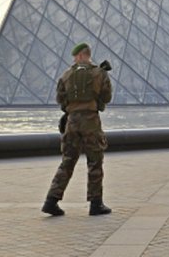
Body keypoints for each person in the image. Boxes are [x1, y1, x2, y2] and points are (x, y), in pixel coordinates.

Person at [42, 42, 113, 217]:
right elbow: (107, 96)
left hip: (72, 122)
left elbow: (61, 99)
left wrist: (72, 108)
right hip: (91, 121)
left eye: (75, 56)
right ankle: (96, 203)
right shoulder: (100, 73)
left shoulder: (66, 75)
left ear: (81, 55)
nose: (74, 59)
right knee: (94, 161)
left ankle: (51, 200)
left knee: (67, 161)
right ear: (88, 55)